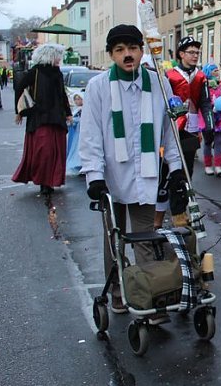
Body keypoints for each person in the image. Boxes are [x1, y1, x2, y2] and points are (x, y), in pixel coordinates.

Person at [80, 24, 187, 319]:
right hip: (111, 178)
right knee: (114, 237)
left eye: (132, 49)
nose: (127, 55)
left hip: (147, 175)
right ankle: (117, 290)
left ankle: (148, 295)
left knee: (146, 236)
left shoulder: (158, 84)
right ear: (112, 55)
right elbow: (90, 135)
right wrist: (94, 176)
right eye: (120, 50)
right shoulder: (98, 87)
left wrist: (176, 168)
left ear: (142, 51)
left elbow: (169, 132)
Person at [12, 43, 72, 197]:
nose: (59, 60)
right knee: (43, 151)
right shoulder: (35, 72)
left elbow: (62, 94)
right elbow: (20, 88)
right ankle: (44, 182)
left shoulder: (57, 73)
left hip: (56, 118)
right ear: (49, 56)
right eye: (57, 56)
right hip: (39, 117)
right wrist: (18, 111)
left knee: (56, 152)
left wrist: (68, 112)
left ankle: (51, 180)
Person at [167, 37, 214, 176]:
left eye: (197, 53)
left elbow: (205, 102)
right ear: (182, 54)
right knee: (170, 164)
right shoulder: (170, 75)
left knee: (188, 166)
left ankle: (186, 195)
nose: (195, 56)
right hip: (172, 126)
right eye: (191, 52)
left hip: (192, 127)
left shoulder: (201, 76)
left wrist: (209, 125)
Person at [201, 62, 221, 176]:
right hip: (206, 115)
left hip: (219, 116)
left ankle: (218, 166)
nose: (217, 72)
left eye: (217, 70)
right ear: (208, 71)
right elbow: (200, 100)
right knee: (207, 142)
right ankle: (208, 166)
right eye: (214, 70)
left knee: (218, 141)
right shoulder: (203, 84)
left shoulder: (220, 84)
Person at [65, 92, 83, 176]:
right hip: (75, 133)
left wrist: (74, 121)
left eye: (79, 99)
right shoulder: (76, 110)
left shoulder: (83, 109)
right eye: (75, 99)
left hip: (81, 134)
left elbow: (81, 120)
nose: (77, 101)